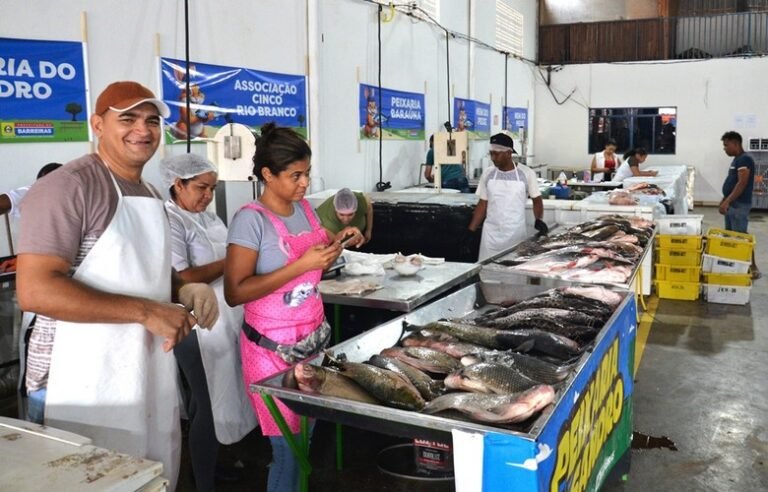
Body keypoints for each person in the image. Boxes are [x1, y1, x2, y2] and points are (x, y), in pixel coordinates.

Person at [16, 81, 219, 490]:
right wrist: (147, 311)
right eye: (126, 118)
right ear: (97, 124)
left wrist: (182, 289)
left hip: (142, 367)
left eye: (151, 121)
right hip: (75, 378)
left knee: (145, 477)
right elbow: (36, 291)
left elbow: (148, 269)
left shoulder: (147, 191)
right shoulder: (68, 187)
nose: (142, 130)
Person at [224, 122, 363, 492]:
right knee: (287, 448)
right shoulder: (250, 221)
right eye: (295, 175)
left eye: (307, 174)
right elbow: (235, 291)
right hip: (271, 351)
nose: (304, 184)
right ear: (268, 175)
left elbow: (315, 268)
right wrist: (300, 266)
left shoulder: (305, 210)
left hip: (311, 341)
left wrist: (339, 244)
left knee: (307, 437)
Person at [159, 153, 257, 491]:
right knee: (205, 401)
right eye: (201, 187)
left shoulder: (210, 218)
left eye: (212, 188)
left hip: (226, 317)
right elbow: (182, 276)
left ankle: (218, 463)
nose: (207, 195)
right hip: (194, 326)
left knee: (226, 393)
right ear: (178, 184)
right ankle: (203, 482)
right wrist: (235, 259)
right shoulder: (169, 221)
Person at [468, 133, 546, 260]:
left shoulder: (526, 174)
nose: (493, 157)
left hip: (515, 236)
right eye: (491, 153)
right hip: (490, 238)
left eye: (497, 154)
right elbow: (483, 204)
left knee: (512, 274)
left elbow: (537, 200)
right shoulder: (488, 173)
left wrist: (539, 219)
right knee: (488, 275)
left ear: (509, 153)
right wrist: (470, 231)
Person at [0, 163, 62, 273]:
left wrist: (29, 263)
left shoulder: (82, 202)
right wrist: (24, 260)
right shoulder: (35, 194)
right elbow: (4, 202)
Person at [719, 131, 760, 279]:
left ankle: (752, 266)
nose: (724, 148)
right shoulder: (737, 159)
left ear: (735, 144)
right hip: (732, 204)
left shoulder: (744, 160)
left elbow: (741, 183)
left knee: (741, 237)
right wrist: (724, 199)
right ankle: (735, 266)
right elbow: (732, 182)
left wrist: (728, 201)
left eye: (726, 145)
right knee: (730, 237)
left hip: (739, 205)